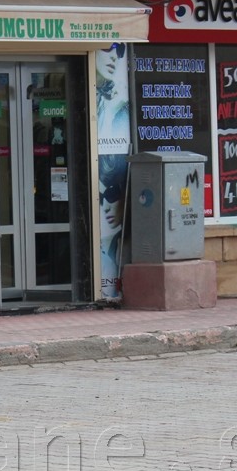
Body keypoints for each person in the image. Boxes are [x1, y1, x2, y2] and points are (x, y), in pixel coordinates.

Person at [99, 156, 127, 300]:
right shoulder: (110, 247)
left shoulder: (129, 243)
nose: (105, 207)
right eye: (101, 198)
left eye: (111, 195)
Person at [95, 44, 131, 155]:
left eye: (120, 51)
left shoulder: (120, 104)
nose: (114, 56)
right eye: (107, 47)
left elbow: (110, 164)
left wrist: (110, 113)